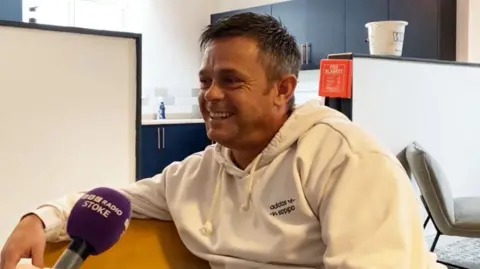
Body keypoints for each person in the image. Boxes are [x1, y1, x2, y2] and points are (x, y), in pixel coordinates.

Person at [1, 12, 445, 269]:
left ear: (283, 89)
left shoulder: (345, 160)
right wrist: (38, 218)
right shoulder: (198, 173)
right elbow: (118, 199)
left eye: (231, 81)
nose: (211, 94)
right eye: (205, 80)